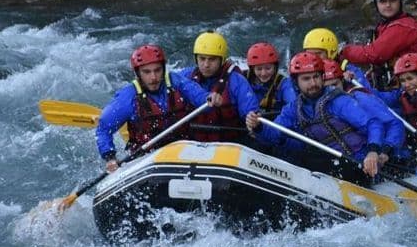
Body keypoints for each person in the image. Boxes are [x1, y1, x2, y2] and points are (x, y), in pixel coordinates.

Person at [245, 52, 384, 185]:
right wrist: (258, 126)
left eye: (316, 76)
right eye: (306, 79)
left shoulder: (339, 101)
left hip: (359, 162)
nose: (313, 83)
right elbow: (274, 134)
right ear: (295, 82)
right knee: (289, 152)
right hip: (329, 163)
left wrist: (373, 152)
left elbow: (373, 123)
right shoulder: (293, 108)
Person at [96, 44, 226, 173]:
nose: (153, 77)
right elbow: (103, 128)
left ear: (164, 69)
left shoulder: (176, 82)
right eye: (147, 72)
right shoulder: (128, 97)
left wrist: (210, 98)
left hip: (183, 151)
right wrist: (110, 157)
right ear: (137, 73)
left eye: (157, 70)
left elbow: (201, 98)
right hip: (145, 159)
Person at [337, 0, 417, 90]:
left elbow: (374, 54)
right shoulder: (389, 24)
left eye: (392, 0)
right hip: (405, 78)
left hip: (415, 83)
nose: (388, 5)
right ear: (376, 5)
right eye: (383, 1)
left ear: (400, 2)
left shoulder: (403, 26)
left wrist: (344, 50)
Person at [322, 59, 406, 165]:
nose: (332, 90)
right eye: (327, 87)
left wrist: (386, 151)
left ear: (342, 82)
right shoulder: (321, 108)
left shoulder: (360, 98)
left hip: (387, 155)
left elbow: (395, 124)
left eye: (335, 84)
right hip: (354, 159)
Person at [180, 31, 259, 143]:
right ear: (196, 58)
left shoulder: (236, 80)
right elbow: (167, 82)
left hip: (229, 143)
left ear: (222, 60)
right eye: (202, 59)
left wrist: (252, 119)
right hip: (193, 143)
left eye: (212, 59)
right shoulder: (185, 76)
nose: (206, 65)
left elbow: (250, 109)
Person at [302, 27, 369, 88]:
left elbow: (370, 93)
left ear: (331, 52)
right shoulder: (304, 71)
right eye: (309, 54)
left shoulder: (348, 68)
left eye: (318, 54)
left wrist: (351, 82)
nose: (313, 58)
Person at [245, 41, 294, 115]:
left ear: (275, 67)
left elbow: (293, 104)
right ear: (252, 69)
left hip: (273, 123)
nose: (263, 73)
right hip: (248, 121)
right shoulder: (243, 79)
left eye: (268, 68)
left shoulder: (284, 83)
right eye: (259, 69)